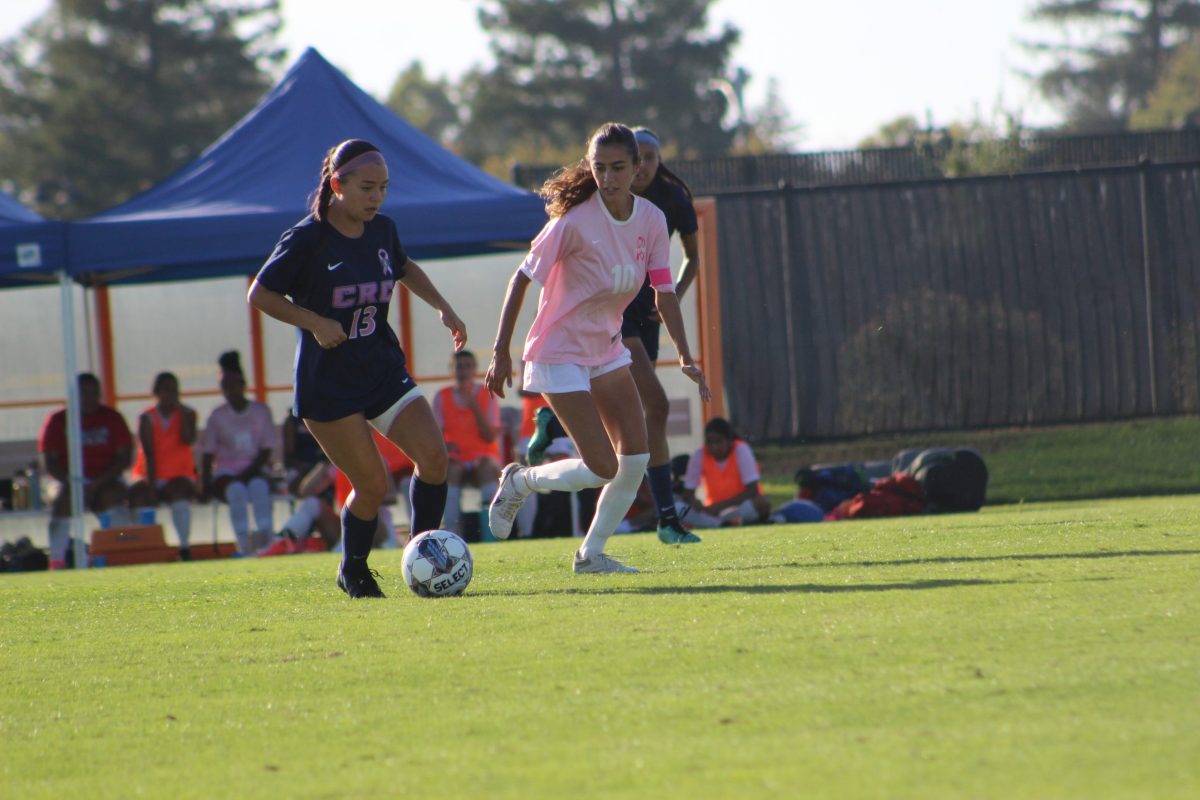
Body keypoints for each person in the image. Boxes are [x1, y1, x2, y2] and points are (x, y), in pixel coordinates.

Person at [485, 122, 710, 574]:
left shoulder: (651, 218)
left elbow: (664, 292)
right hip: (557, 351)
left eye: (618, 167)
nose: (608, 177)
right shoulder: (571, 222)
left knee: (637, 458)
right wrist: (500, 352)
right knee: (603, 466)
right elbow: (521, 279)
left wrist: (685, 354)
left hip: (606, 347)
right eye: (599, 167)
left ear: (637, 167)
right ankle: (520, 480)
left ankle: (591, 556)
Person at [248, 138, 466, 598]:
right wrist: (315, 322)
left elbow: (405, 269)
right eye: (367, 188)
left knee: (434, 458)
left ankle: (423, 556)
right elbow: (261, 295)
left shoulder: (383, 230)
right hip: (328, 385)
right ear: (336, 186)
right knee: (372, 486)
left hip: (381, 369)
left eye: (383, 188)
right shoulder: (307, 238)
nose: (376, 197)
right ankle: (354, 569)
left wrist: (443, 307)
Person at [38, 372, 133, 568]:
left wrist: (98, 482)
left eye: (93, 392)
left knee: (113, 498)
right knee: (61, 503)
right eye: (84, 392)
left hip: (106, 480)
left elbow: (124, 458)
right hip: (68, 481)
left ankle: (115, 556)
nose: (89, 398)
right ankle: (57, 561)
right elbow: (50, 462)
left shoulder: (112, 418)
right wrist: (73, 483)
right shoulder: (57, 420)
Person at [199, 352, 277, 556]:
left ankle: (266, 541)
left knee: (259, 487)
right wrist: (206, 484)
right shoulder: (217, 416)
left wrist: (249, 473)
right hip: (227, 474)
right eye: (225, 388)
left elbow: (266, 448)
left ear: (243, 385)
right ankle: (243, 544)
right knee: (236, 491)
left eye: (233, 386)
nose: (230, 392)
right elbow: (208, 453)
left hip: (256, 470)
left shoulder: (261, 412)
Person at [128, 372, 199, 560]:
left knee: (179, 494)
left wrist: (182, 413)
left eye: (174, 389)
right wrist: (152, 487)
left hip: (179, 474)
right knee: (138, 496)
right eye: (166, 389)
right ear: (156, 392)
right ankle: (143, 547)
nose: (171, 394)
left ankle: (184, 547)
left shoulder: (188, 413)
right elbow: (149, 454)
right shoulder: (147, 418)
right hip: (150, 474)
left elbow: (188, 438)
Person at [432, 350, 502, 536]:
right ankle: (453, 532)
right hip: (457, 458)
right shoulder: (442, 396)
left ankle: (490, 531)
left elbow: (490, 436)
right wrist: (445, 447)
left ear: (474, 370)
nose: (463, 371)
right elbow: (435, 434)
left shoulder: (487, 394)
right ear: (451, 370)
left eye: (468, 366)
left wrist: (474, 407)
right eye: (459, 366)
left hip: (484, 456)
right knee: (451, 470)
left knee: (485, 467)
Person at [682, 417, 771, 526]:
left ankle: (726, 523)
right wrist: (694, 502)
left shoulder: (741, 449)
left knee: (762, 503)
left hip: (738, 509)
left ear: (729, 441)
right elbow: (688, 493)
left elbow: (753, 491)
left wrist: (720, 507)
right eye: (710, 442)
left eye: (719, 441)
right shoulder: (699, 455)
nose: (714, 447)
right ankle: (724, 524)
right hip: (711, 512)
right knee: (678, 508)